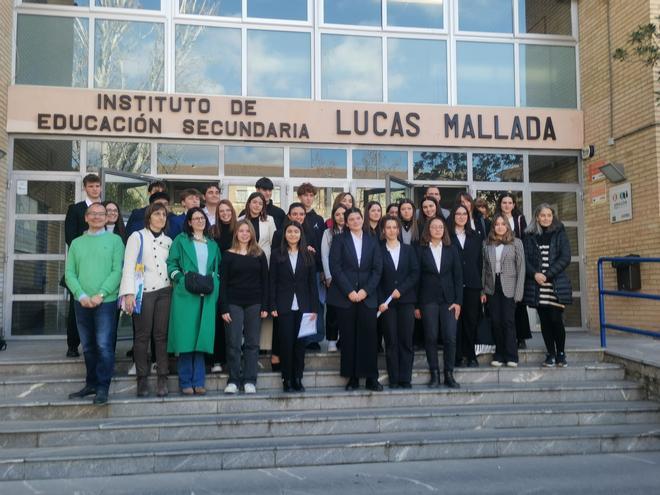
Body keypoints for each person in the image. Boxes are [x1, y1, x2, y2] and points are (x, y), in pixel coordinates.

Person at [65, 202, 125, 405]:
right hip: (81, 302)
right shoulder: (76, 243)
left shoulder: (116, 241)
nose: (97, 217)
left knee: (103, 345)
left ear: (107, 218)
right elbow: (70, 273)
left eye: (102, 214)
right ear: (86, 217)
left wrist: (101, 294)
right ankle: (91, 383)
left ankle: (102, 387)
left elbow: (118, 271)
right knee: (89, 346)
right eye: (93, 213)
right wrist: (81, 295)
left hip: (105, 302)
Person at [119, 203, 172, 397]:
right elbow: (129, 265)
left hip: (165, 292)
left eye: (163, 214)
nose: (160, 217)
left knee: (161, 336)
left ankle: (162, 378)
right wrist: (129, 293)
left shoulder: (169, 241)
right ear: (149, 217)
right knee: (142, 336)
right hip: (144, 292)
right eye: (156, 214)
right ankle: (142, 379)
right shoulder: (137, 236)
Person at [328, 207, 383, 392]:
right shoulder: (339, 240)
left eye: (358, 218)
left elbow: (377, 269)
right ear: (346, 222)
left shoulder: (372, 240)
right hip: (346, 297)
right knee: (349, 337)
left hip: (368, 297)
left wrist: (366, 291)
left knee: (369, 338)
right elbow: (335, 267)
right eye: (351, 219)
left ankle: (371, 378)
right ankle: (352, 377)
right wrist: (350, 291)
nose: (355, 221)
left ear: (363, 219)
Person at [167, 207, 220, 395]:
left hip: (206, 294)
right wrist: (181, 280)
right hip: (186, 295)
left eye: (202, 218)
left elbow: (217, 268)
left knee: (201, 338)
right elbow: (171, 264)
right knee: (186, 339)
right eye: (195, 218)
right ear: (189, 222)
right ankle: (185, 382)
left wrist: (214, 283)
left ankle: (199, 381)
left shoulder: (212, 244)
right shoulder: (180, 241)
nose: (199, 221)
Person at [220, 220, 269, 394]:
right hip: (233, 303)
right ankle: (233, 380)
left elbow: (265, 282)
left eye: (247, 231)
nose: (244, 234)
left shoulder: (259, 254)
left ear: (252, 234)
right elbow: (223, 284)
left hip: (254, 303)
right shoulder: (227, 255)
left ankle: (250, 380)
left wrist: (265, 306)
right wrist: (224, 308)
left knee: (252, 343)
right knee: (233, 342)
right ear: (236, 233)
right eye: (241, 231)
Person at [270, 222, 319, 392]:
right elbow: (272, 282)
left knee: (300, 344)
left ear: (301, 234)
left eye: (296, 231)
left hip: (304, 307)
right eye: (289, 231)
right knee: (286, 343)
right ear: (285, 234)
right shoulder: (277, 255)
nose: (292, 234)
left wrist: (314, 309)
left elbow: (313, 285)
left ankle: (298, 377)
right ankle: (287, 379)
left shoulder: (308, 255)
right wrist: (273, 305)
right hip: (284, 306)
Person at [416, 217, 463, 389]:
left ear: (444, 230)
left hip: (449, 301)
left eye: (440, 227)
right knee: (431, 337)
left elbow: (458, 277)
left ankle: (449, 373)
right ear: (428, 230)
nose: (437, 230)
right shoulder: (421, 250)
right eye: (434, 227)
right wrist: (416, 305)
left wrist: (458, 301)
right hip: (428, 300)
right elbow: (417, 278)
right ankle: (434, 373)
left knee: (450, 337)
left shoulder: (452, 249)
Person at [524, 204, 572, 368]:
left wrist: (547, 274)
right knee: (544, 320)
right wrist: (535, 274)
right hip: (538, 285)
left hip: (555, 283)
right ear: (537, 217)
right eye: (542, 215)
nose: (546, 218)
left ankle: (561, 353)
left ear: (553, 217)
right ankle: (550, 354)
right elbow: (525, 260)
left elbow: (565, 258)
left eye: (549, 215)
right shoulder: (529, 235)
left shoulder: (560, 233)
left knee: (556, 318)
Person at [377, 217, 420, 389]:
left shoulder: (409, 250)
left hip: (406, 301)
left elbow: (415, 273)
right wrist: (381, 300)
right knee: (391, 340)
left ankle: (405, 378)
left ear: (399, 230)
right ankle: (394, 379)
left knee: (406, 340)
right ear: (384, 230)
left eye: (395, 227)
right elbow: (376, 278)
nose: (392, 230)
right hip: (387, 304)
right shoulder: (378, 251)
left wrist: (401, 290)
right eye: (388, 227)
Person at [64, 173, 102, 358]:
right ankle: (73, 344)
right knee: (76, 306)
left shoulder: (104, 209)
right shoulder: (76, 209)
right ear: (85, 188)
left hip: (103, 264)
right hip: (81, 265)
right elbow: (69, 237)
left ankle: (98, 344)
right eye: (91, 186)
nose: (95, 189)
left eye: (97, 186)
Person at [482, 214, 525, 368]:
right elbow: (484, 269)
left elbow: (521, 269)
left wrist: (519, 292)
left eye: (503, 224)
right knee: (495, 321)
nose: (500, 227)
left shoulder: (516, 243)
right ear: (493, 227)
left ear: (507, 226)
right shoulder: (487, 244)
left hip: (510, 287)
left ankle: (512, 355)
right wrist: (482, 291)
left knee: (508, 321)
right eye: (497, 224)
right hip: (492, 287)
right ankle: (499, 354)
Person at [450, 205, 483, 368]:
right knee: (455, 322)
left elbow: (480, 263)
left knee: (471, 321)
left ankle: (471, 355)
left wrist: (482, 288)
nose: (461, 216)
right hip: (453, 286)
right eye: (458, 213)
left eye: (464, 214)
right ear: (453, 216)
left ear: (468, 216)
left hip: (472, 284)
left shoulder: (475, 236)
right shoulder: (447, 236)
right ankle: (457, 356)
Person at [497, 192, 531, 349]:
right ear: (500, 204)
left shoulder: (519, 218)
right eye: (504, 202)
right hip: (500, 264)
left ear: (514, 204)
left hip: (516, 261)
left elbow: (524, 239)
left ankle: (521, 337)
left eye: (510, 202)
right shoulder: (496, 219)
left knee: (519, 303)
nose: (507, 205)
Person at [208, 199, 237, 374]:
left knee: (234, 322)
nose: (225, 213)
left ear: (232, 212)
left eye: (228, 210)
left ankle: (232, 360)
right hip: (218, 280)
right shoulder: (212, 231)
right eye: (221, 211)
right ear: (217, 214)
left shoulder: (239, 229)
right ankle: (217, 359)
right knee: (218, 321)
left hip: (237, 280)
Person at [297, 183, 327, 351]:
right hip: (297, 270)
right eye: (305, 195)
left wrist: (322, 269)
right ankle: (303, 337)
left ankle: (315, 338)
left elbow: (322, 247)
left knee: (317, 303)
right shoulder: (294, 216)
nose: (308, 198)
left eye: (311, 195)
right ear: (300, 197)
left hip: (315, 269)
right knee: (302, 304)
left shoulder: (318, 219)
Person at [321, 204, 347, 352]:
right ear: (333, 216)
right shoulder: (327, 233)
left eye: (344, 214)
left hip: (349, 277)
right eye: (337, 214)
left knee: (346, 311)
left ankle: (343, 338)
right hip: (333, 278)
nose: (341, 217)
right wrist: (328, 276)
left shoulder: (353, 232)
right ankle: (331, 339)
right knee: (332, 309)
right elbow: (324, 255)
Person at [238, 192, 277, 261]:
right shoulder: (239, 220)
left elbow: (273, 241)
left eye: (260, 204)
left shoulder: (269, 220)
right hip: (244, 258)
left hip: (264, 258)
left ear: (263, 206)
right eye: (254, 202)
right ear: (249, 203)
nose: (257, 205)